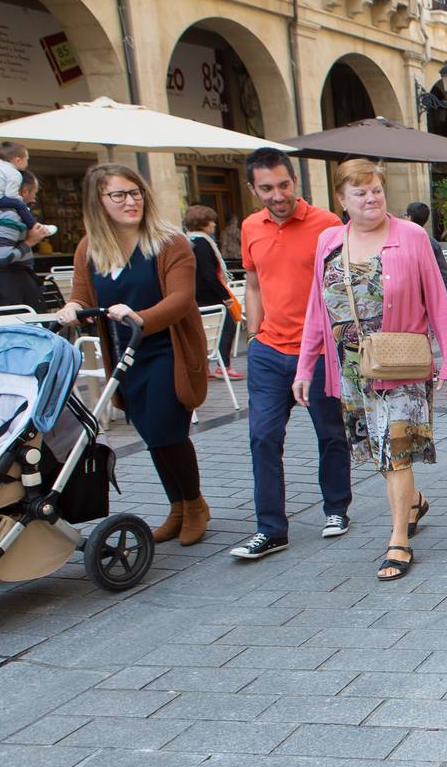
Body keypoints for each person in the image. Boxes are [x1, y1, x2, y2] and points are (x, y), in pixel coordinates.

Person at [294, 159, 447, 581]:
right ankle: (414, 500)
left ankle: (398, 541)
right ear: (341, 199)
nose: (371, 199)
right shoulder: (329, 242)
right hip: (351, 370)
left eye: (376, 190)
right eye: (360, 192)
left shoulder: (411, 237)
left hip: (402, 364)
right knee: (380, 455)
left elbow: (438, 300)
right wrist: (304, 366)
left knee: (395, 450)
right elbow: (318, 307)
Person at [57, 164, 209, 546]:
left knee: (168, 431)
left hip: (166, 352)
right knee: (151, 434)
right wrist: (71, 308)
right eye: (119, 195)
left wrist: (140, 317)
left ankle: (195, 504)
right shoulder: (90, 248)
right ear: (99, 202)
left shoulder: (168, 242)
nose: (131, 201)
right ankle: (176, 507)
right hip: (126, 357)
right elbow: (82, 295)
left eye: (135, 192)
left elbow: (180, 299)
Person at [230, 148, 352, 561]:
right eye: (266, 188)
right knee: (262, 436)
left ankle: (336, 508)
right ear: (253, 188)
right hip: (267, 349)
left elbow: (341, 286)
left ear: (295, 182)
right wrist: (252, 334)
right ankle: (271, 528)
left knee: (330, 432)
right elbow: (254, 282)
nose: (277, 195)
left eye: (284, 185)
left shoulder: (328, 225)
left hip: (318, 351)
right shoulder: (251, 227)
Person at [0, 142, 53, 308]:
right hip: (9, 285)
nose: (34, 197)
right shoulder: (10, 215)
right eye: (34, 192)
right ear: (23, 191)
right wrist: (31, 242)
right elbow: (3, 257)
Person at [183, 205, 242, 379]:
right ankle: (223, 366)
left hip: (195, 295)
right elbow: (208, 274)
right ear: (203, 223)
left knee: (200, 332)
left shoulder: (187, 241)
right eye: (211, 222)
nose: (214, 225)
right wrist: (224, 296)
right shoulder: (203, 244)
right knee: (228, 326)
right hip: (208, 295)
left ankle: (204, 368)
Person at [405, 202, 447, 301]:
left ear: (409, 217)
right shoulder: (433, 243)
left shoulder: (399, 242)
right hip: (428, 297)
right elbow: (444, 274)